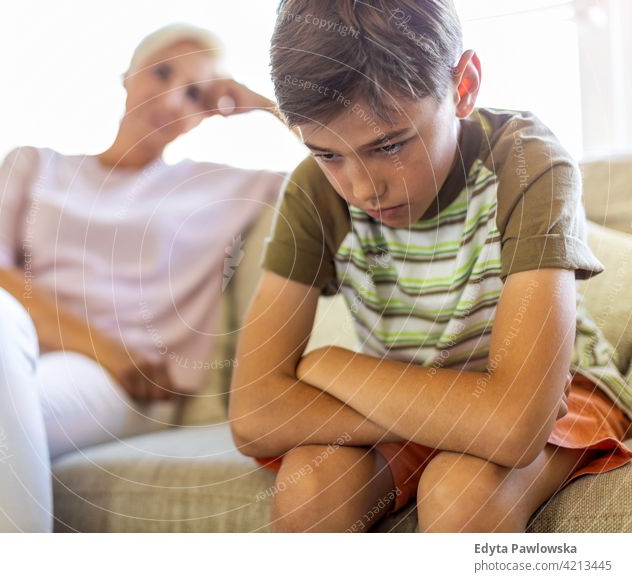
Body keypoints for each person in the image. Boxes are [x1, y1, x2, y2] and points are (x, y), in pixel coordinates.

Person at [0, 23, 285, 532]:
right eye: (162, 73)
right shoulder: (33, 166)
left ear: (209, 113)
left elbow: (340, 169)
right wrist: (104, 347)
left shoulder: (213, 189)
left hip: (114, 389)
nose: (172, 98)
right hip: (21, 346)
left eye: (195, 93)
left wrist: (270, 105)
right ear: (128, 77)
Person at [230, 0, 632, 533]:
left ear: (463, 85)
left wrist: (329, 364)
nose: (360, 188)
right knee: (310, 482)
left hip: (563, 395)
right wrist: (464, 417)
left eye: (389, 145)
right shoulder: (313, 192)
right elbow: (254, 413)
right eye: (328, 154)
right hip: (415, 396)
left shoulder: (528, 162)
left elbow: (517, 427)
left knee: (460, 489)